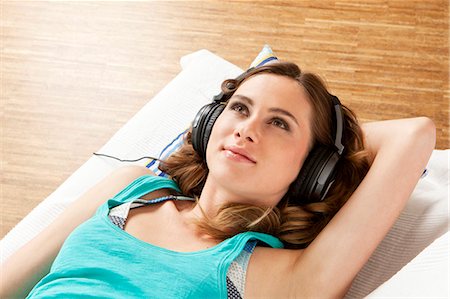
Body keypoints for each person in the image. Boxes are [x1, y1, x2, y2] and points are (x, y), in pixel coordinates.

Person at [1, 62, 435, 298]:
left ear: (314, 166)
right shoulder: (129, 189)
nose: (247, 130)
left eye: (279, 124)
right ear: (209, 123)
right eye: (240, 109)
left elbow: (415, 135)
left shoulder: (274, 275)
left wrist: (331, 147)